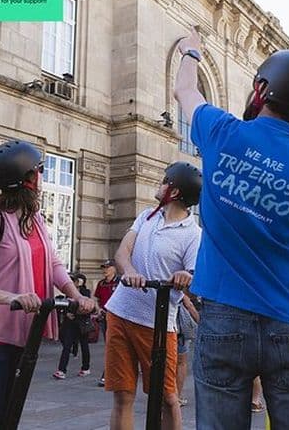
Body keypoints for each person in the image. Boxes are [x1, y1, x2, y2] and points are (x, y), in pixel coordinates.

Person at [173, 28, 289, 429]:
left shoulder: (222, 131)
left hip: (222, 323)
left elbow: (185, 90)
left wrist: (192, 50)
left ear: (261, 88)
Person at [0, 140, 95, 430]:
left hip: (23, 337)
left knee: (9, 420)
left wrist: (76, 297)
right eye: (41, 171)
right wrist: (13, 297)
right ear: (28, 177)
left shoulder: (35, 221)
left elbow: (54, 265)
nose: (43, 177)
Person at [103, 161, 202, 430]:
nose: (160, 184)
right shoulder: (147, 215)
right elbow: (123, 252)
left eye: (165, 181)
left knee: (166, 397)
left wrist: (185, 277)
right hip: (121, 312)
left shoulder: (193, 234)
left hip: (156, 323)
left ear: (176, 191)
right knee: (122, 395)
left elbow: (195, 275)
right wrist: (130, 271)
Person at [53, 272, 93, 379]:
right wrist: (67, 313)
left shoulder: (85, 292)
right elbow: (66, 305)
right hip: (71, 322)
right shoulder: (69, 293)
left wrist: (75, 313)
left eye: (73, 281)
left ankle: (85, 368)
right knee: (67, 345)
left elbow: (87, 307)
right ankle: (61, 370)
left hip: (82, 322)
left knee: (84, 345)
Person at [94, 258, 120, 387]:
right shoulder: (101, 284)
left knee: (113, 346)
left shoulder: (120, 282)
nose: (105, 270)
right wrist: (99, 309)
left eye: (107, 268)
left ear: (114, 268)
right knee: (110, 345)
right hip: (105, 318)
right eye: (103, 268)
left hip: (117, 318)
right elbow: (97, 299)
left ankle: (108, 374)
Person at [175, 294, 200, 407]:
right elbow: (189, 306)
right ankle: (176, 396)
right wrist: (202, 325)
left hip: (161, 328)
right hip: (179, 331)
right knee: (181, 363)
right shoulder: (181, 294)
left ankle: (164, 394)